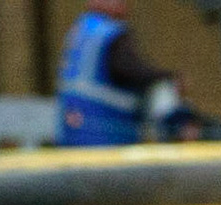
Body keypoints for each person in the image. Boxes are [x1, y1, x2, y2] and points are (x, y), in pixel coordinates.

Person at [56, 0, 180, 147]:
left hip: (74, 131)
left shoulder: (83, 28)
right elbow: (131, 70)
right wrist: (168, 77)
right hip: (108, 131)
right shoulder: (110, 32)